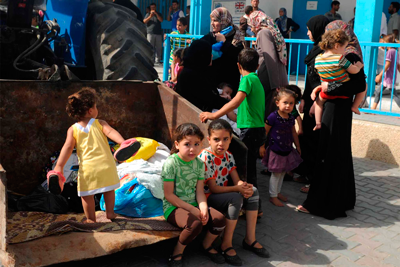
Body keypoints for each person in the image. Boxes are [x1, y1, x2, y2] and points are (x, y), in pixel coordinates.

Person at [296, 20, 366, 220]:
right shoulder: (342, 55)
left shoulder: (349, 55)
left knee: (329, 154)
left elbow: (358, 84)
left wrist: (326, 89)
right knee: (337, 153)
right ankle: (340, 199)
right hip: (337, 109)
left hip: (336, 109)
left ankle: (322, 204)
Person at [50, 88, 140, 223]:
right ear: (90, 111)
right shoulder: (100, 123)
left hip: (88, 169)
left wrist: (59, 166)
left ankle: (91, 219)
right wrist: (123, 143)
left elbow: (67, 148)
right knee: (109, 190)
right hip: (106, 165)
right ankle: (110, 213)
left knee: (86, 195)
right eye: (95, 106)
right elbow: (111, 132)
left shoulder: (72, 130)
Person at [199, 48, 266, 216]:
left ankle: (251, 207)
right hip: (255, 129)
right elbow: (247, 110)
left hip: (250, 131)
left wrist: (214, 115)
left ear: (238, 66)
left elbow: (236, 101)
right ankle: (254, 207)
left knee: (246, 170)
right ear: (257, 66)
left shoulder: (247, 79)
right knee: (249, 168)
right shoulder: (257, 79)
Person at [199, 120, 269, 266]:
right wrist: (237, 189)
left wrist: (243, 186)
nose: (221, 144)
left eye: (225, 139)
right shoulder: (206, 157)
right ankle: (226, 244)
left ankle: (249, 239)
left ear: (231, 139)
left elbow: (236, 179)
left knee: (253, 191)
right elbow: (213, 188)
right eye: (216, 139)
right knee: (235, 197)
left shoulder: (228, 156)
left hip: (221, 195)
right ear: (209, 140)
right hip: (207, 198)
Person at [162, 123, 226, 266]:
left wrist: (203, 208)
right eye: (187, 144)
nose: (192, 149)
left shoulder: (199, 164)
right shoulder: (171, 163)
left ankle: (206, 245)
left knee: (220, 219)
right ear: (177, 144)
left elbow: (199, 191)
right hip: (173, 207)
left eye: (197, 144)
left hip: (194, 204)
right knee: (195, 223)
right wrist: (192, 209)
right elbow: (169, 195)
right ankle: (176, 253)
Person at [296, 15, 330, 192]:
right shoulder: (315, 50)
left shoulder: (324, 53)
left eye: (310, 29)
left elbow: (322, 81)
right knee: (307, 138)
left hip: (320, 103)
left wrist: (318, 102)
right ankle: (307, 172)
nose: (308, 32)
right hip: (311, 101)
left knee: (315, 141)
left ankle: (314, 180)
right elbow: (310, 80)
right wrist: (302, 98)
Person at [312, 29, 365, 130]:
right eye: (344, 47)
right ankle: (355, 106)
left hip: (326, 91)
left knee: (319, 102)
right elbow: (353, 71)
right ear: (336, 46)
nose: (345, 51)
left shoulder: (318, 58)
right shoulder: (339, 58)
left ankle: (318, 122)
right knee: (364, 86)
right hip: (342, 89)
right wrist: (358, 66)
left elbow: (320, 74)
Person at [260, 89, 302, 207]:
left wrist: (297, 146)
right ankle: (273, 196)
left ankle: (277, 193)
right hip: (276, 150)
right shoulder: (273, 117)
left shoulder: (291, 118)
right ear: (277, 103)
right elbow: (265, 132)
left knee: (282, 172)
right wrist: (262, 146)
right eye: (285, 102)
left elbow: (293, 132)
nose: (288, 106)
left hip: (287, 150)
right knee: (276, 173)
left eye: (291, 103)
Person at [249, 11, 288, 119]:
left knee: (268, 111)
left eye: (251, 25)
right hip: (275, 77)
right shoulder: (271, 31)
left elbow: (270, 59)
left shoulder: (263, 33)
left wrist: (275, 84)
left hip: (269, 78)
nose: (252, 29)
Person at [175, 40, 228, 112]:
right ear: (202, 55)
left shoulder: (194, 70)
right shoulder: (191, 75)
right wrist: (230, 103)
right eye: (209, 53)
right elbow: (210, 100)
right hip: (198, 114)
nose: (211, 56)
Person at [201, 7, 244, 94]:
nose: (212, 24)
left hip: (229, 85)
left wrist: (224, 42)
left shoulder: (236, 36)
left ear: (224, 21)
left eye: (215, 21)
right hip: (212, 83)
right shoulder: (210, 37)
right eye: (212, 20)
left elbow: (239, 56)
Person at [373, 34, 400, 109]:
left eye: (384, 42)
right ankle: (373, 108)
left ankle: (373, 109)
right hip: (390, 76)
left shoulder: (390, 52)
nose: (383, 44)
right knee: (378, 92)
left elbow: (387, 64)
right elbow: (398, 65)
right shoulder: (395, 51)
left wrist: (379, 75)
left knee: (394, 95)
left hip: (388, 77)